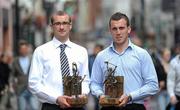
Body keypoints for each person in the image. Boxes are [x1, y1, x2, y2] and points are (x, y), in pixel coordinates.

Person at [90, 12, 159, 110]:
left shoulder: (142, 54)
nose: (118, 32)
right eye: (114, 29)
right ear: (110, 31)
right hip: (109, 107)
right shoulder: (101, 56)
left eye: (121, 28)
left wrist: (130, 96)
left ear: (129, 29)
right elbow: (94, 83)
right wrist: (100, 95)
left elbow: (153, 85)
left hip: (134, 106)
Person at [28, 10, 90, 110]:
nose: (61, 27)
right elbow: (33, 83)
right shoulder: (40, 51)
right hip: (51, 106)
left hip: (76, 105)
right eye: (57, 24)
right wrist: (56, 98)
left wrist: (83, 94)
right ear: (51, 26)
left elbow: (85, 79)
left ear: (70, 26)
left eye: (65, 23)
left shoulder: (81, 51)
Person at [12, 40, 39, 110]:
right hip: (21, 90)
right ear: (19, 50)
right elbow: (12, 75)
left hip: (32, 89)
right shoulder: (15, 61)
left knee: (34, 108)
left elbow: (38, 72)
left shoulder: (32, 58)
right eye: (22, 49)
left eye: (25, 49)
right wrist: (14, 86)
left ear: (27, 49)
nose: (23, 50)